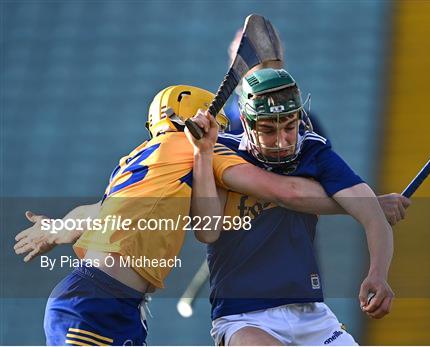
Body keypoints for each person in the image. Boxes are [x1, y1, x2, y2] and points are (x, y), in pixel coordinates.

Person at [13, 85, 353, 346]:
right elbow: (282, 191)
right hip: (98, 304)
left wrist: (57, 229)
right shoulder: (194, 150)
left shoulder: (142, 158)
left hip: (102, 301)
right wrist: (364, 202)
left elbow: (99, 212)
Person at [191, 68, 401, 345]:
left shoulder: (313, 150)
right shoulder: (222, 152)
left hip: (311, 315)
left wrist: (378, 274)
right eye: (268, 130)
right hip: (243, 318)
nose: (282, 140)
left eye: (290, 126)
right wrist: (201, 154)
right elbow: (206, 232)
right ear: (245, 121)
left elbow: (373, 216)